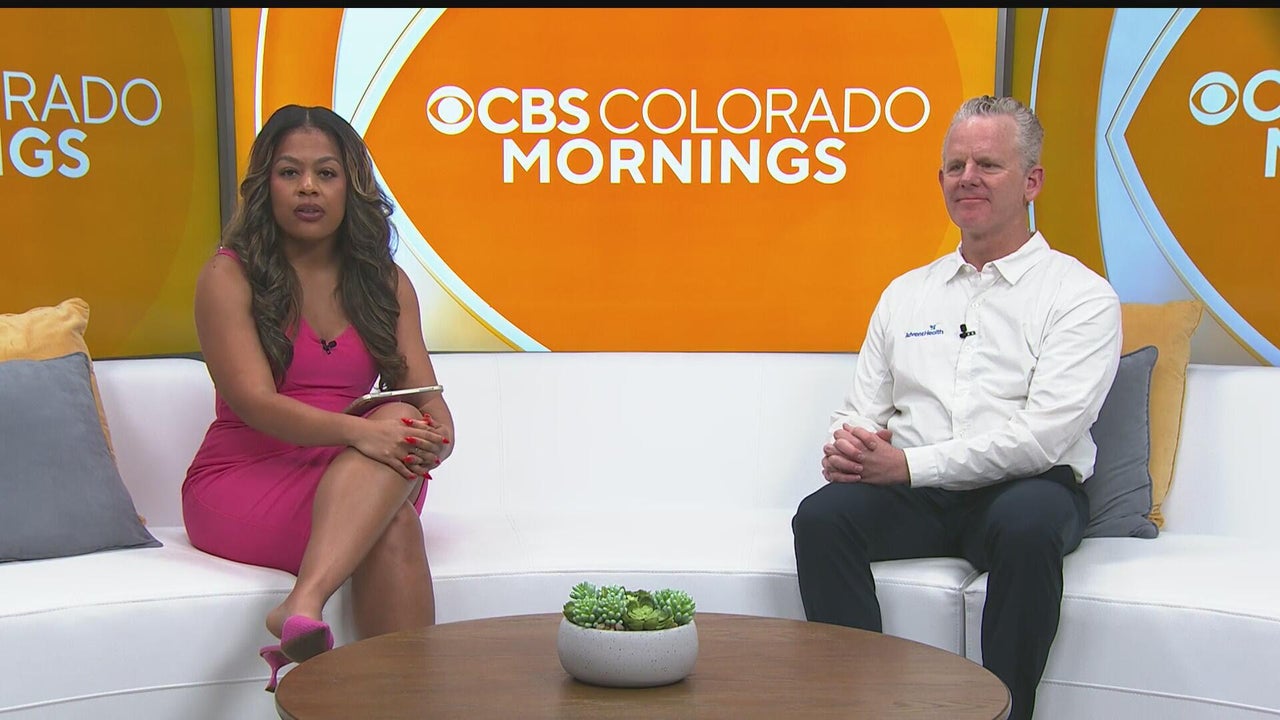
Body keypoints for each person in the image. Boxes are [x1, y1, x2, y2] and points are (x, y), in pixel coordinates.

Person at [791, 95, 1120, 720]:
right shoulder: (906, 293)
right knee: (821, 518)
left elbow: (1042, 438)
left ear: (1032, 182)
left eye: (988, 165)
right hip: (918, 495)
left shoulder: (1080, 296)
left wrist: (906, 466)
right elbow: (862, 407)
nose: (967, 178)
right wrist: (851, 447)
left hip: (1026, 487)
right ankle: (858, 706)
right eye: (955, 166)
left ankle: (1006, 712)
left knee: (1028, 527)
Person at [181, 104, 455, 692]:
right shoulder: (229, 277)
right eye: (290, 172)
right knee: (393, 521)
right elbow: (254, 403)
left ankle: (303, 606)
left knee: (401, 416)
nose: (308, 187)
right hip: (245, 476)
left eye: (326, 173)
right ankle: (397, 692)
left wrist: (435, 435)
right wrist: (363, 431)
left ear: (351, 188)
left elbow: (428, 401)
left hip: (359, 471)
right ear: (266, 186)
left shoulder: (385, 283)